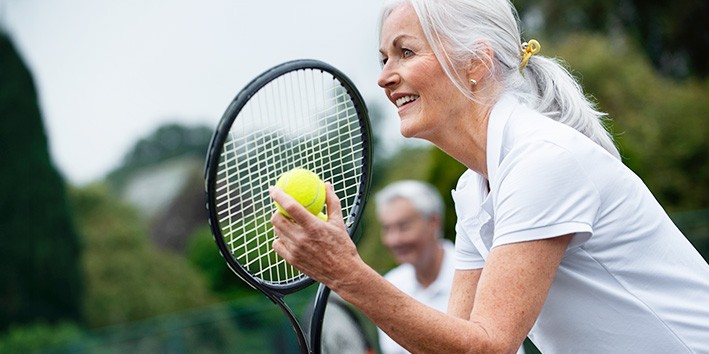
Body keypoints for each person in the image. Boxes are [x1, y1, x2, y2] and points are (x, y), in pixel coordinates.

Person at [269, 0, 709, 352]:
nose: (384, 77)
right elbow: (456, 340)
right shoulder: (473, 188)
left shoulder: (541, 159)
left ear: (475, 63)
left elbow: (489, 347)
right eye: (384, 57)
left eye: (405, 52)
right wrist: (345, 272)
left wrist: (347, 274)